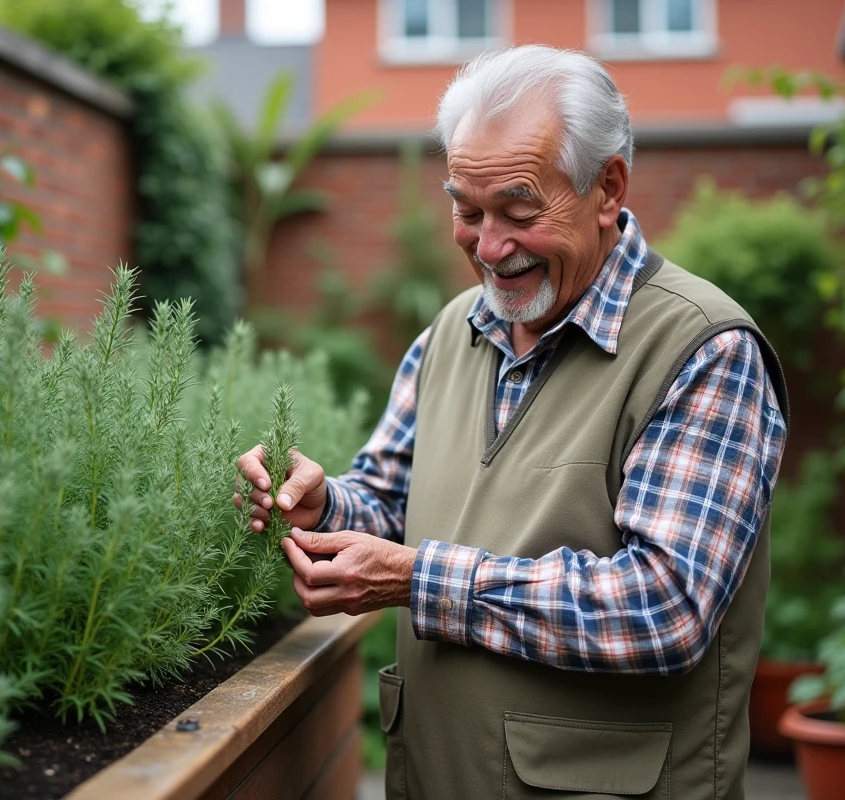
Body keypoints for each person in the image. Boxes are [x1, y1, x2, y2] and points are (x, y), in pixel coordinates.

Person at [234, 45, 787, 800]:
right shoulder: (452, 331)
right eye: (466, 210)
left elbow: (663, 609)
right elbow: (393, 500)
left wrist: (419, 580)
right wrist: (324, 505)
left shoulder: (704, 350)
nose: (488, 248)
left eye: (519, 212)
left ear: (607, 188)